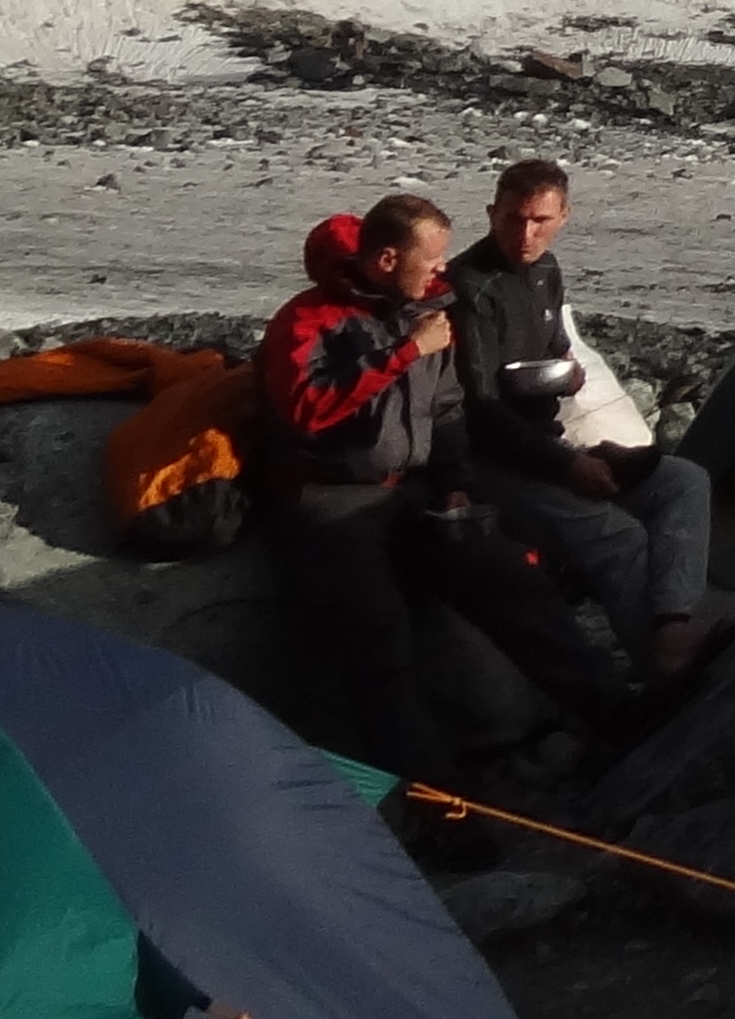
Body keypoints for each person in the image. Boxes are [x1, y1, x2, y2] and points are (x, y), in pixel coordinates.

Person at [252, 190, 631, 790]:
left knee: (512, 581)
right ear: (383, 260)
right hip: (331, 507)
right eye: (429, 260)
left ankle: (618, 715)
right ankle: (439, 806)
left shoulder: (427, 313)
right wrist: (403, 352)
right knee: (381, 649)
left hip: (414, 495)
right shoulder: (308, 321)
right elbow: (306, 409)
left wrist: (455, 486)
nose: (439, 271)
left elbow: (448, 409)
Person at [447, 156, 719, 679]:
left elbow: (554, 347)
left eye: (540, 221)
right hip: (493, 461)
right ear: (491, 214)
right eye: (512, 219)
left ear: (564, 217)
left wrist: (567, 375)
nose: (525, 234)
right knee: (620, 538)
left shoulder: (547, 273)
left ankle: (672, 628)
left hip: (546, 442)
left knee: (684, 481)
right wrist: (565, 467)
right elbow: (479, 409)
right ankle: (664, 676)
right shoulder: (471, 287)